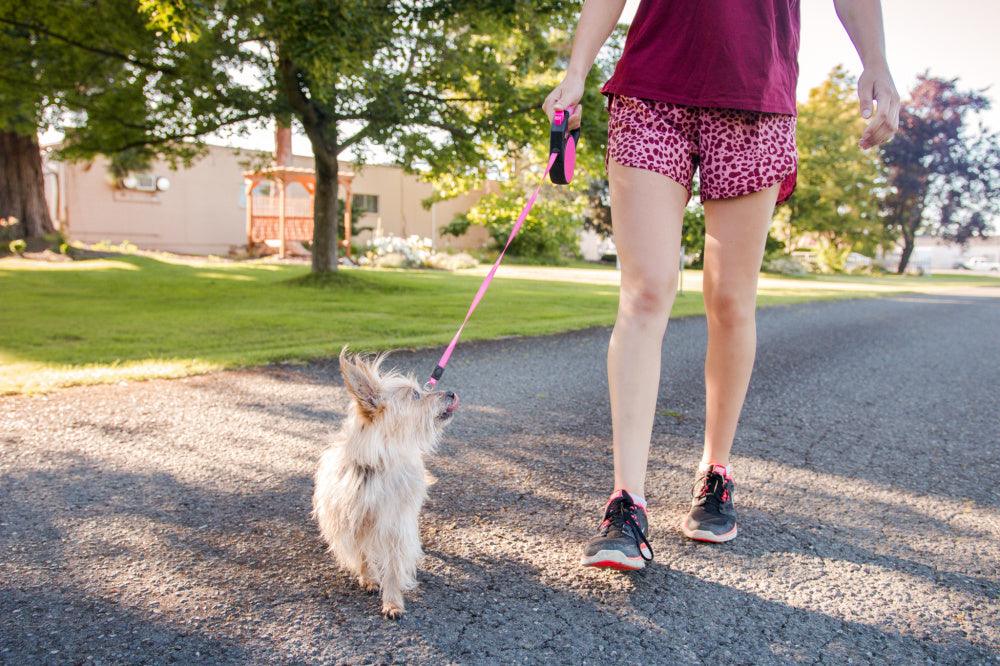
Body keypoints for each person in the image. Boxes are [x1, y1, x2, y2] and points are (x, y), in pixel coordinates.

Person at [543, 0, 900, 570]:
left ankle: (715, 472)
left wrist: (876, 61)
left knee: (730, 299)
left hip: (755, 93)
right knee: (645, 291)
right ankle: (625, 504)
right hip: (651, 89)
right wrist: (576, 71)